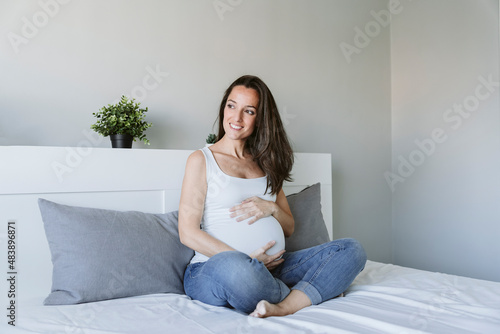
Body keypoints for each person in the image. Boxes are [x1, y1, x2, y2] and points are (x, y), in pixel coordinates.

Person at [178, 75, 366, 317]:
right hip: (215, 270)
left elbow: (288, 227)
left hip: (276, 269)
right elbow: (188, 232)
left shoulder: (266, 163)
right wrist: (246, 260)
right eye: (231, 106)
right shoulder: (202, 160)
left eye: (249, 111)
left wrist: (272, 208)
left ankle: (283, 306)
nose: (236, 118)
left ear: (260, 119)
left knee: (352, 250)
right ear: (224, 107)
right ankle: (312, 290)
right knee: (238, 272)